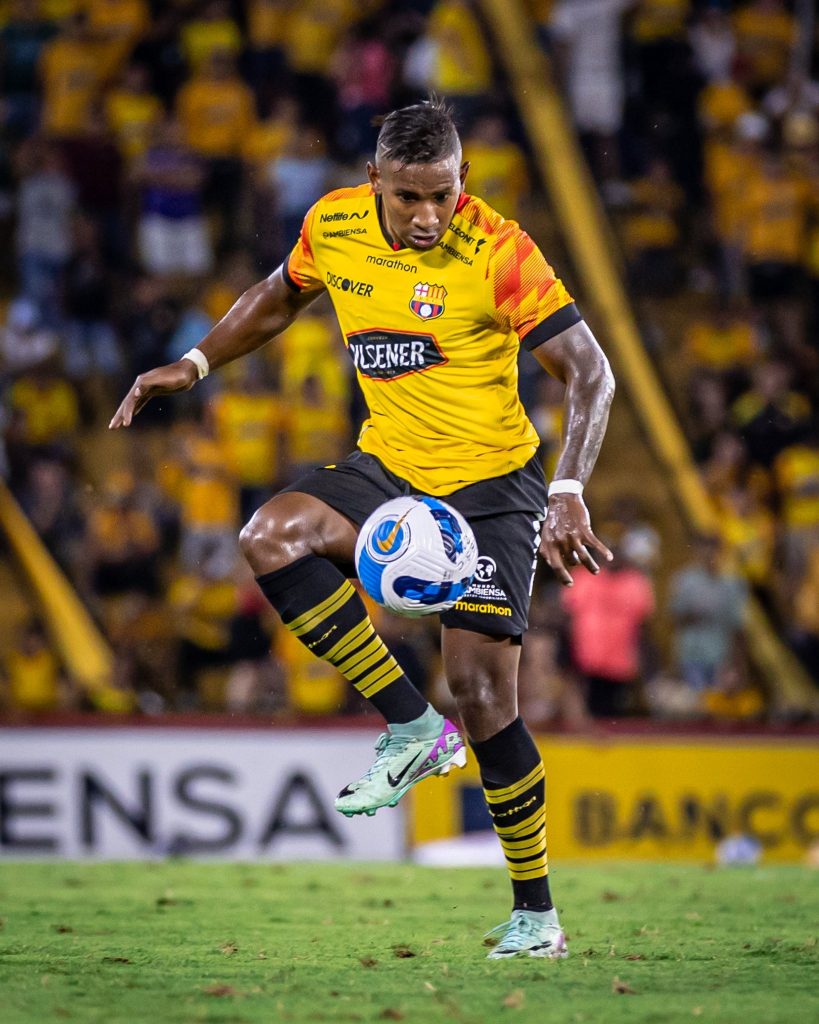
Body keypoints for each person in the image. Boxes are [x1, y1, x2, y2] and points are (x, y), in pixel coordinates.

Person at [110, 99, 615, 960]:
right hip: (390, 466)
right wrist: (193, 364)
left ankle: (536, 917)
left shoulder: (499, 250)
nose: (426, 216)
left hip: (493, 486)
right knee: (269, 535)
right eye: (408, 196)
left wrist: (567, 488)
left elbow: (591, 372)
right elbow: (279, 295)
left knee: (483, 695)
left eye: (443, 195)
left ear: (463, 181)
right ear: (373, 179)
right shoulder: (333, 224)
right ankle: (412, 730)